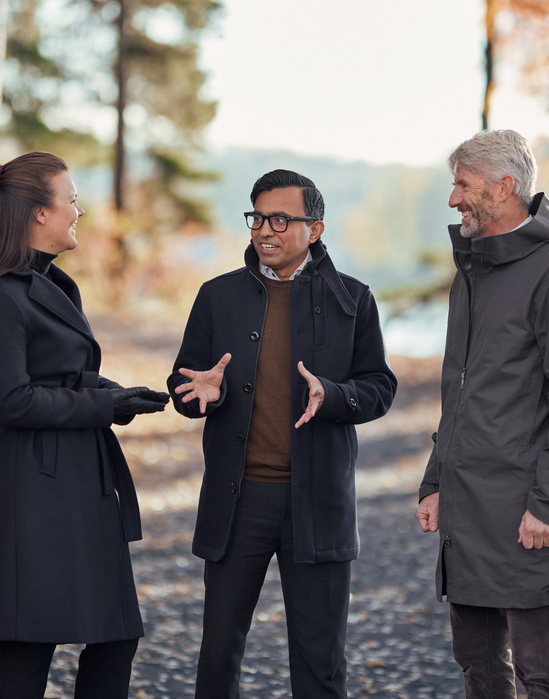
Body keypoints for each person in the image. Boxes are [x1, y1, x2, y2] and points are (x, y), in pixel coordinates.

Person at [168, 169, 397, 699]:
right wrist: (204, 393)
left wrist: (334, 396)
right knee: (218, 652)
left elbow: (380, 387)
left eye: (280, 219)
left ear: (314, 229)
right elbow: (185, 384)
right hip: (238, 500)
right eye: (257, 219)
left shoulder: (353, 300)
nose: (264, 231)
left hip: (317, 504)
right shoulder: (216, 296)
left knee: (321, 665)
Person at [0, 151, 170, 699]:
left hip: (80, 480)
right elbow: (11, 401)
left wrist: (120, 393)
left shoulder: (55, 285)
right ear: (37, 213)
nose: (80, 210)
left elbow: (65, 376)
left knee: (115, 634)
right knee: (30, 645)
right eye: (71, 199)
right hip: (33, 487)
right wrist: (106, 407)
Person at [415, 130, 549, 699]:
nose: (454, 199)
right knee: (478, 663)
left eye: (464, 185)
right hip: (468, 503)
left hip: (528, 507)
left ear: (504, 188)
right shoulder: (471, 272)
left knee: (540, 668)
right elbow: (463, 391)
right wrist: (435, 480)